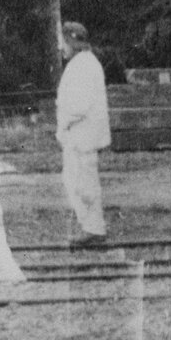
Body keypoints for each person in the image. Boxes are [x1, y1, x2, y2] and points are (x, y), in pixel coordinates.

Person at [55, 20, 112, 249]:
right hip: (80, 136)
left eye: (65, 43)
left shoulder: (84, 65)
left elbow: (77, 106)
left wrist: (64, 124)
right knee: (77, 182)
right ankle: (91, 228)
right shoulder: (84, 63)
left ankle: (94, 231)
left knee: (83, 184)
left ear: (73, 42)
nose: (62, 48)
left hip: (82, 136)